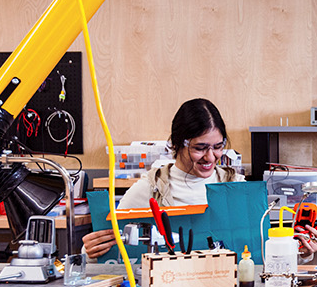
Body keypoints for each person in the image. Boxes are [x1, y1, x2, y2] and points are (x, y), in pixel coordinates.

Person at [81, 98, 246, 259]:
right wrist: (90, 250)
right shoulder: (150, 188)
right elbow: (106, 242)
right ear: (176, 144)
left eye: (218, 147)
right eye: (200, 148)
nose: (210, 157)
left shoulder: (236, 186)